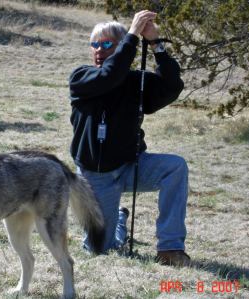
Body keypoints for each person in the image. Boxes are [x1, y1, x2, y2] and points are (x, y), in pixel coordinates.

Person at [68, 10, 190, 266]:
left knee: (175, 167)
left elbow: (172, 87)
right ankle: (119, 220)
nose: (98, 50)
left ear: (120, 46)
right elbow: (108, 77)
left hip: (131, 166)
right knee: (99, 250)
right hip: (96, 176)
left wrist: (156, 44)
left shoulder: (136, 82)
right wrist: (132, 36)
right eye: (95, 44)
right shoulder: (82, 78)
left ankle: (170, 248)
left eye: (106, 44)